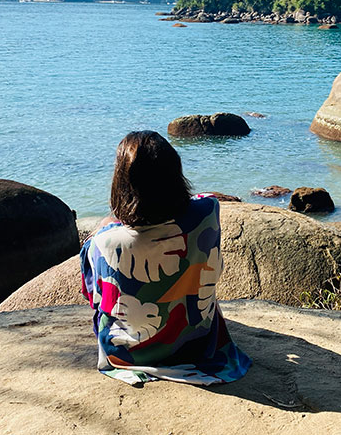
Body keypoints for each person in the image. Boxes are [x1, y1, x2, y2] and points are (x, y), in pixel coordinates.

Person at [80, 130, 251, 386]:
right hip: (197, 344)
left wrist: (109, 225)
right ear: (176, 174)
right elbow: (198, 199)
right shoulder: (208, 212)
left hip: (129, 353)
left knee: (99, 238)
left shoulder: (104, 243)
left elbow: (93, 296)